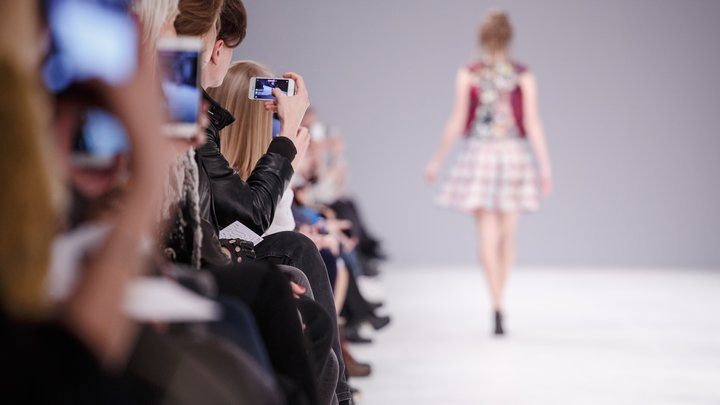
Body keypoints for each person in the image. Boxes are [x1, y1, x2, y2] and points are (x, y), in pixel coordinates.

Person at [425, 10, 553, 336]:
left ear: (482, 37)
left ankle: (495, 303)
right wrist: (544, 166)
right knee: (508, 234)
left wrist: (437, 160)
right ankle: (500, 301)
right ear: (509, 37)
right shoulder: (522, 74)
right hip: (513, 155)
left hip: (480, 154)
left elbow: (457, 120)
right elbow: (533, 122)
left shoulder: (469, 73)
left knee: (487, 235)